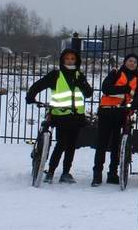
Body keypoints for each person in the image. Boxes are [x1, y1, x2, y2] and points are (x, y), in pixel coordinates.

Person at [26, 48, 93, 184]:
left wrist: (83, 84)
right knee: (61, 144)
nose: (70, 61)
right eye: (67, 58)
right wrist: (31, 96)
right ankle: (50, 171)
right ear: (63, 60)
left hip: (77, 116)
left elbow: (88, 93)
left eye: (72, 59)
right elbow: (39, 85)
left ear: (77, 60)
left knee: (71, 145)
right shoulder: (56, 75)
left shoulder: (79, 76)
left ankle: (66, 172)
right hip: (61, 115)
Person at [92, 52, 138, 186]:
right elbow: (106, 88)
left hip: (122, 113)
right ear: (125, 62)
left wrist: (132, 105)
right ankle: (97, 174)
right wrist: (124, 88)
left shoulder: (137, 80)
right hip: (107, 112)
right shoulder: (115, 73)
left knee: (116, 145)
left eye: (135, 62)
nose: (132, 63)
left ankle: (112, 173)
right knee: (102, 144)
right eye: (130, 61)